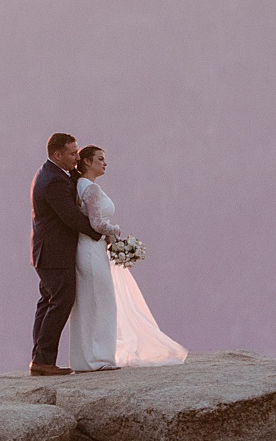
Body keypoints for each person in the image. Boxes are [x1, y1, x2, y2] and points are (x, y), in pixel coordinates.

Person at [59, 143, 186, 371]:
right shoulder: (91, 189)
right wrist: (115, 231)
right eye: (100, 159)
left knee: (88, 303)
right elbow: (96, 223)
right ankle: (99, 358)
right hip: (91, 250)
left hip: (86, 248)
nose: (105, 163)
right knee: (103, 301)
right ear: (87, 162)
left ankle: (86, 357)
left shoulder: (79, 185)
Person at [28, 131, 100, 375]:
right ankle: (43, 361)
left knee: (48, 302)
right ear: (57, 154)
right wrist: (99, 233)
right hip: (54, 254)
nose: (76, 157)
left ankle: (40, 358)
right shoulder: (54, 180)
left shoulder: (50, 173)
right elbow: (69, 216)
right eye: (71, 153)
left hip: (46, 253)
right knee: (61, 301)